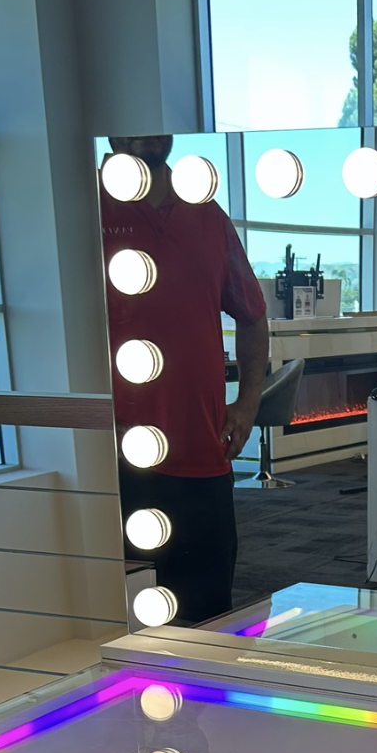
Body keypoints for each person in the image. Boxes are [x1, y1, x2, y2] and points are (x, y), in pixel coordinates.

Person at [103, 133, 268, 626]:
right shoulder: (85, 206)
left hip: (202, 456)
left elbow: (253, 317)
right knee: (129, 622)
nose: (147, 132)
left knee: (209, 617)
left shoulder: (206, 212)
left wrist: (248, 403)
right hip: (118, 460)